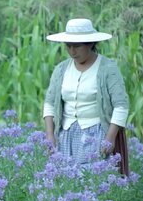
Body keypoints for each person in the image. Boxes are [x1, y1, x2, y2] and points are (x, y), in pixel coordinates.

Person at [43, 18, 129, 175]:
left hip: (95, 134)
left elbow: (121, 105)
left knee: (92, 181)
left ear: (90, 44)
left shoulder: (107, 68)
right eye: (68, 46)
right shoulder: (61, 69)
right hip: (65, 134)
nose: (72, 51)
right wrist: (50, 135)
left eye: (77, 46)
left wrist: (109, 138)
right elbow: (49, 103)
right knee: (66, 182)